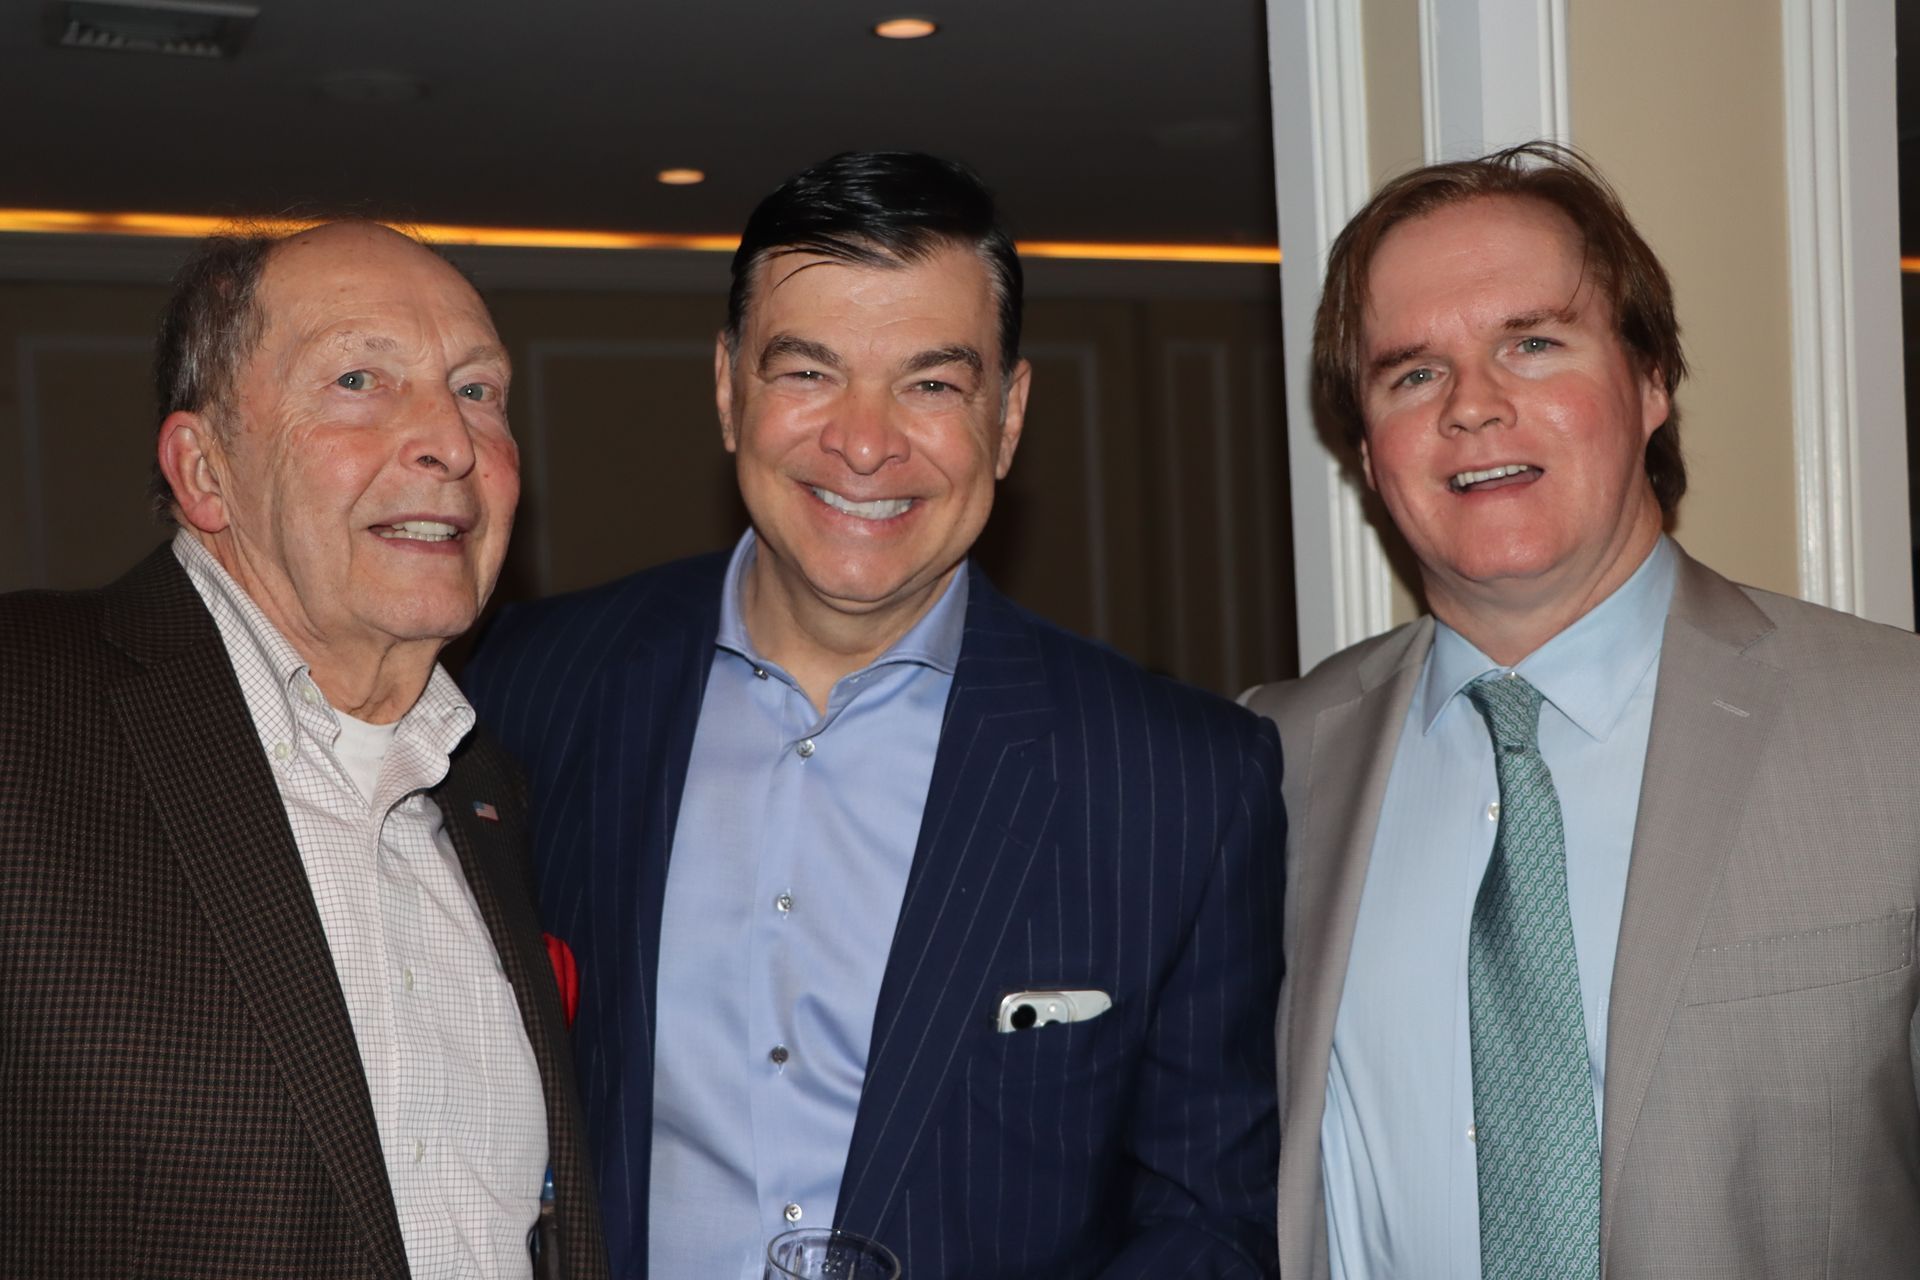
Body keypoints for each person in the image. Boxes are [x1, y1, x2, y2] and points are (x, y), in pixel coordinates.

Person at [462, 151, 1285, 1280]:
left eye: (932, 383)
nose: (864, 439)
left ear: (1009, 416)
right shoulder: (526, 691)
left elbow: (1207, 1222)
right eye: (808, 371)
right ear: (727, 389)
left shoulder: (1184, 781)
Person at [1243, 141, 1920, 1279]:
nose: (1473, 407)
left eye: (1534, 343)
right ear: (1365, 449)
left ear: (1652, 382)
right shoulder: (1266, 757)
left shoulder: (1895, 726)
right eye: (1412, 372)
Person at [0, 221, 607, 1280]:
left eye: (477, 391)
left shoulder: (485, 788)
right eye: (360, 378)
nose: (450, 443)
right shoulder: (24, 710)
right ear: (205, 469)